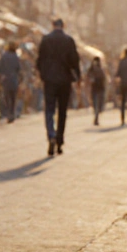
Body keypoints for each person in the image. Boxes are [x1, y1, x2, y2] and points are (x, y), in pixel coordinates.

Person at [36, 19, 81, 156]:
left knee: (49, 109)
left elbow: (39, 61)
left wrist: (43, 74)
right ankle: (60, 142)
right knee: (62, 111)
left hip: (49, 80)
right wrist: (78, 77)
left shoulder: (46, 40)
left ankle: (51, 135)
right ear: (63, 26)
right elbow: (75, 60)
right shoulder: (69, 40)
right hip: (64, 81)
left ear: (53, 25)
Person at [0, 42, 22, 123]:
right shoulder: (16, 56)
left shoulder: (4, 56)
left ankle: (8, 114)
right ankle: (12, 114)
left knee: (6, 97)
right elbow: (19, 68)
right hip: (14, 79)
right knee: (13, 98)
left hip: (5, 79)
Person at [88, 55, 107, 126]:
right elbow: (104, 78)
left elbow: (88, 77)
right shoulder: (100, 68)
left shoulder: (92, 69)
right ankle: (96, 116)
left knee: (96, 103)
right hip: (99, 88)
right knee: (98, 104)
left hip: (96, 88)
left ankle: (96, 116)